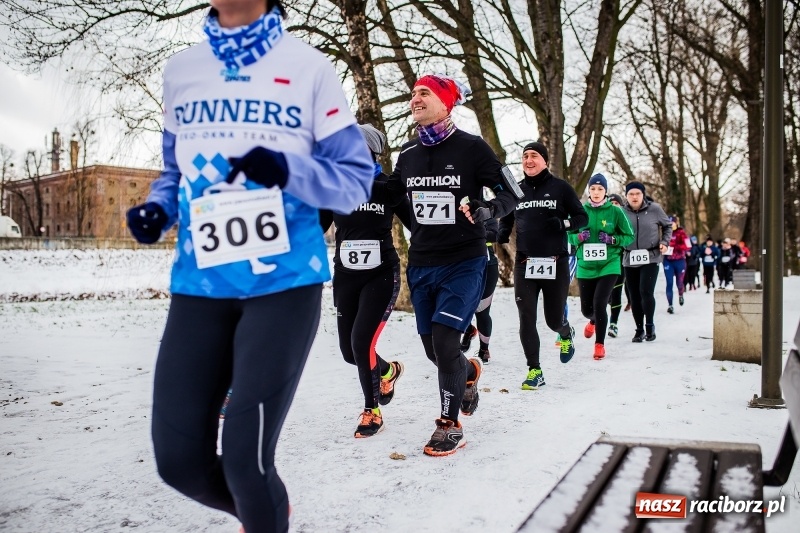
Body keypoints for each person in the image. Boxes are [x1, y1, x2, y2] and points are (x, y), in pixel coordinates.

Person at [125, 1, 374, 531]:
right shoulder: (182, 70)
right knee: (178, 462)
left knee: (245, 457)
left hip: (283, 283)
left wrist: (287, 168)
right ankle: (268, 515)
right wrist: (159, 208)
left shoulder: (308, 67)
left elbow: (355, 181)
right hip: (200, 284)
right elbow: (174, 172)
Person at [386, 74, 518, 456]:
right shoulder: (408, 155)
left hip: (465, 261)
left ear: (446, 102)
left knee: (446, 342)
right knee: (435, 351)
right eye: (412, 93)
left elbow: (513, 191)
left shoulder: (473, 148)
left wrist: (488, 209)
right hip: (423, 263)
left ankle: (449, 423)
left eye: (424, 92)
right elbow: (394, 197)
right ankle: (470, 372)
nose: (415, 98)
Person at [319, 124, 412, 438]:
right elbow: (314, 227)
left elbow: (418, 223)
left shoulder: (387, 186)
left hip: (380, 274)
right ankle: (388, 370)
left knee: (362, 342)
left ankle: (372, 411)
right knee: (350, 351)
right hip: (346, 276)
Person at [498, 141, 587, 389]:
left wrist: (564, 225)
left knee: (552, 319)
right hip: (525, 262)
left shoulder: (560, 188)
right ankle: (534, 370)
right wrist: (502, 233)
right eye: (525, 156)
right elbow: (506, 216)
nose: (528, 160)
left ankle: (566, 332)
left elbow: (582, 217)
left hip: (555, 261)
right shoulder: (517, 190)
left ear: (544, 161)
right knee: (526, 318)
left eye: (534, 155)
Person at [568, 174, 634, 359]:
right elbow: (567, 234)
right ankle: (593, 320)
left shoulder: (615, 212)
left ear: (606, 191)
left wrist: (613, 239)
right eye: (593, 188)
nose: (596, 192)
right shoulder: (579, 210)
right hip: (586, 266)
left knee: (600, 303)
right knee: (587, 309)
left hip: (609, 264)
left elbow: (629, 236)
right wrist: (578, 238)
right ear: (589, 190)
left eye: (600, 189)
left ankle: (599, 345)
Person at [621, 181, 672, 342]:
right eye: (631, 194)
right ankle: (639, 329)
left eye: (637, 194)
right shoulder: (620, 212)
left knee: (645, 291)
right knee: (634, 296)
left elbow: (668, 226)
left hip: (651, 256)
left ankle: (650, 326)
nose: (634, 197)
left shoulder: (655, 209)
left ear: (643, 195)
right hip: (629, 257)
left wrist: (664, 242)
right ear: (626, 196)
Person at [460, 210, 500, 364]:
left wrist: (470, 232)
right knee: (459, 306)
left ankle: (484, 349)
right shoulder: (456, 212)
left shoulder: (486, 212)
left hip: (487, 266)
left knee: (482, 311)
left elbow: (494, 234)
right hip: (462, 266)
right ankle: (468, 329)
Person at [606, 193, 630, 338]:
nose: (614, 207)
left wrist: (615, 240)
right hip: (601, 263)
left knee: (616, 292)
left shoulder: (625, 221)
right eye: (611, 204)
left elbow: (630, 238)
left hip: (620, 261)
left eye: (617, 204)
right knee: (603, 295)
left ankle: (613, 323)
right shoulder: (601, 219)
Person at [662, 215, 690, 314]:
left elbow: (688, 246)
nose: (671, 225)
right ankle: (670, 305)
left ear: (676, 223)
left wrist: (675, 246)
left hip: (680, 260)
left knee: (679, 282)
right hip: (668, 260)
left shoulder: (681, 233)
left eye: (672, 223)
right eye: (669, 223)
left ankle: (681, 294)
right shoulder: (664, 233)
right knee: (669, 283)